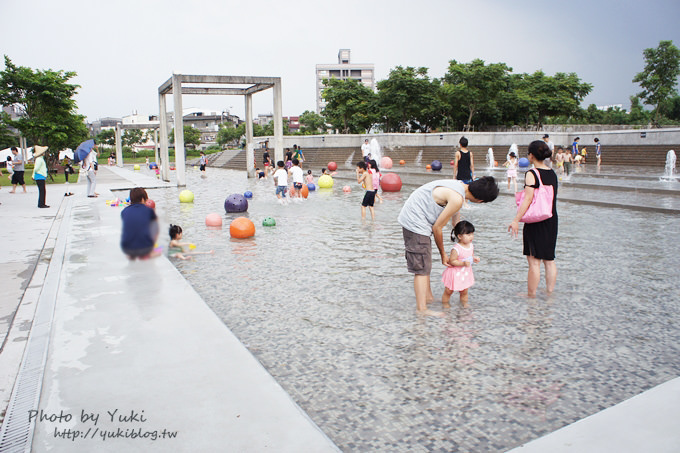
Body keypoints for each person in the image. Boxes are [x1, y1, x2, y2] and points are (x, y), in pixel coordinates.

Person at [398, 176, 499, 316]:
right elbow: (437, 228)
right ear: (481, 201)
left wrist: (461, 240)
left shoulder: (460, 186)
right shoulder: (457, 198)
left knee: (425, 262)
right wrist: (443, 254)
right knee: (421, 267)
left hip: (417, 217)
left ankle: (428, 298)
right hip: (415, 221)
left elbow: (455, 221)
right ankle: (421, 309)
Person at [508, 140, 558, 298]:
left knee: (534, 261)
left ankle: (531, 295)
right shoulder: (552, 173)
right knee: (549, 260)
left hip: (535, 221)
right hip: (551, 219)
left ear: (531, 155)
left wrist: (516, 219)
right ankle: (550, 293)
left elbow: (528, 200)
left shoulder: (532, 173)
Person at [442, 220, 480, 308]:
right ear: (459, 236)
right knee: (449, 291)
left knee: (464, 291)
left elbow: (471, 256)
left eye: (472, 234)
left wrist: (474, 259)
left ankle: (464, 304)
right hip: (455, 273)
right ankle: (445, 304)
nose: (471, 237)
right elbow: (452, 261)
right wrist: (462, 263)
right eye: (468, 234)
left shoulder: (471, 245)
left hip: (465, 273)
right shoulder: (456, 248)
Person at [120, 187, 160, 260]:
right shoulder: (149, 211)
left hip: (127, 249)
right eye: (146, 200)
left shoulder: (124, 211)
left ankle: (132, 255)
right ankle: (149, 252)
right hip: (145, 249)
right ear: (142, 199)